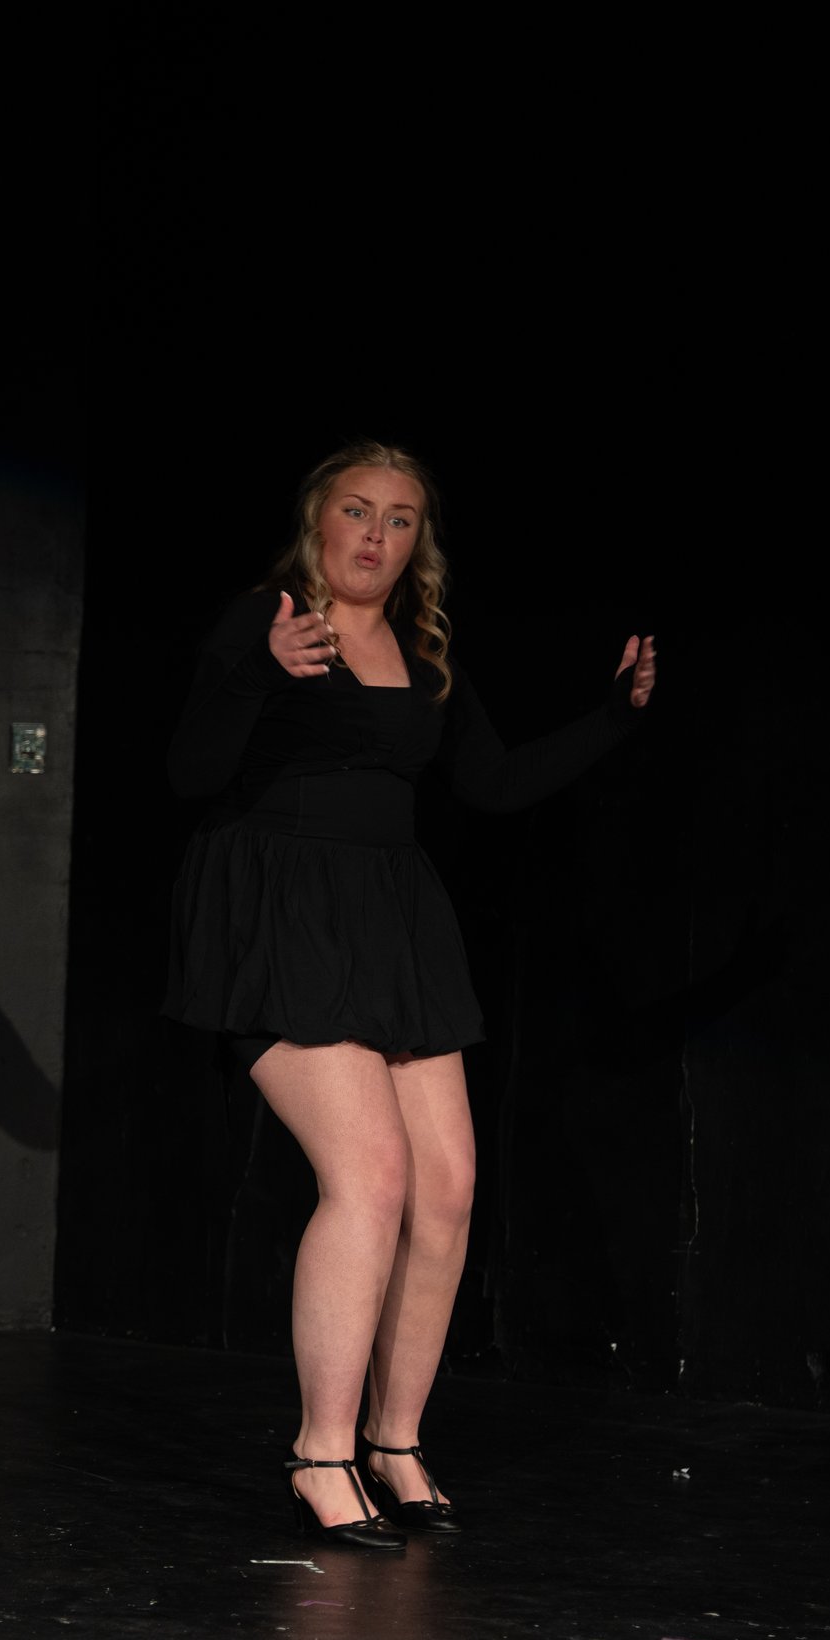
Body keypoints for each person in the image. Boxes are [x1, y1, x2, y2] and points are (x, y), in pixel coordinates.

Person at [163, 441, 655, 1548]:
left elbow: (490, 782)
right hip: (279, 909)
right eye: (357, 510)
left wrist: (612, 721)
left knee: (447, 1188)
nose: (375, 535)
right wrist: (260, 671)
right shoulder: (266, 619)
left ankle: (394, 1440)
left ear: (417, 539)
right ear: (316, 519)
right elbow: (190, 772)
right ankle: (319, 1451)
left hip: (391, 923)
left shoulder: (424, 646)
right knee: (370, 1176)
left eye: (399, 518)